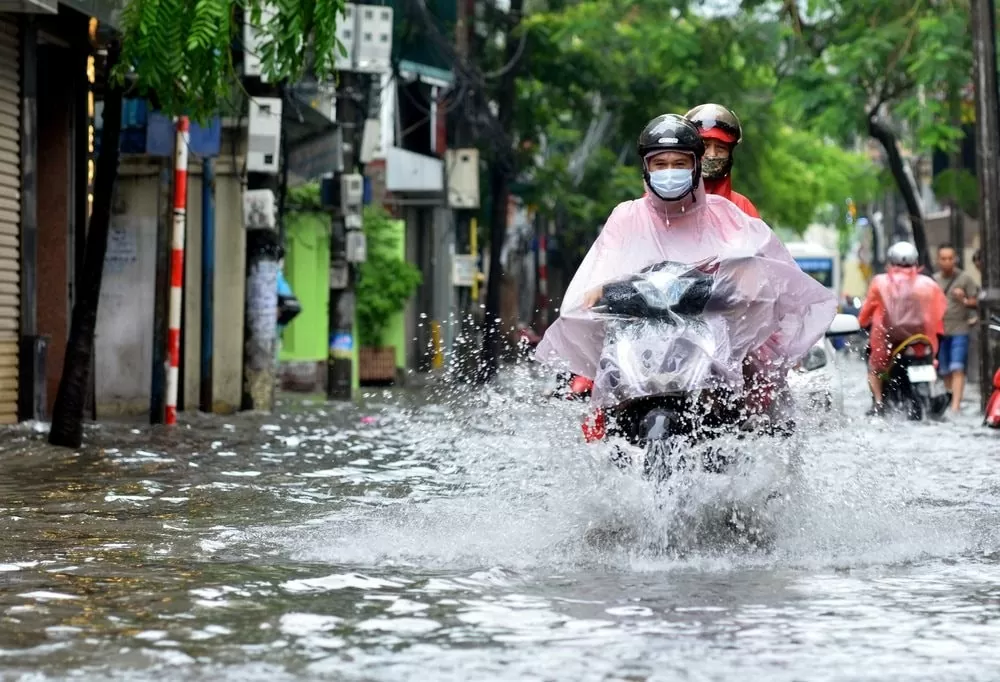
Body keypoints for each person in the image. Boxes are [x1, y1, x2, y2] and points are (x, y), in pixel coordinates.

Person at [535, 114, 837, 433]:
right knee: (603, 419)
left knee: (752, 407)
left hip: (711, 354)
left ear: (695, 167)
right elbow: (598, 279)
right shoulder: (625, 217)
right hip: (640, 352)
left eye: (679, 163)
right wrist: (601, 291)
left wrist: (742, 287)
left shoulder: (727, 216)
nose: (669, 172)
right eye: (659, 164)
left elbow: (756, 276)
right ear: (646, 169)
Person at [858, 241, 947, 416]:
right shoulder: (928, 284)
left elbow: (866, 313)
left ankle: (878, 403)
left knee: (875, 369)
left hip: (888, 343)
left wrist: (861, 323)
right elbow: (939, 312)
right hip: (921, 342)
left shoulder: (879, 282)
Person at [684, 103, 760, 218]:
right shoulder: (659, 202)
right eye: (704, 146)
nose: (712, 155)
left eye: (721, 148)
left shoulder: (742, 207)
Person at [934, 243, 980, 413]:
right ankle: (950, 399)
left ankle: (955, 406)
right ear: (938, 260)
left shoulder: (965, 279)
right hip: (940, 331)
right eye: (943, 258)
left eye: (950, 258)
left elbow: (978, 301)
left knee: (957, 368)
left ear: (955, 259)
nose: (947, 262)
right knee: (945, 370)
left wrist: (965, 300)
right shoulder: (934, 280)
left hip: (960, 329)